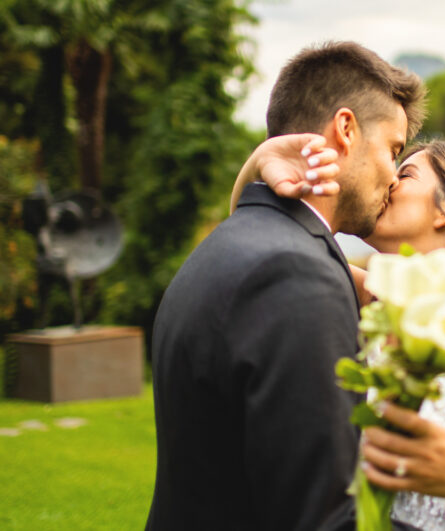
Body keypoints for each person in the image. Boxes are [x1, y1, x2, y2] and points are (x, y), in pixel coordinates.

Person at [145, 41, 426, 531]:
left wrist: (257, 164)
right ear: (345, 129)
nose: (393, 177)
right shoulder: (295, 275)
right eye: (393, 150)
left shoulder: (238, 242)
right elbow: (321, 517)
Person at [235, 137, 445, 530]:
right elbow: (253, 242)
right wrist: (259, 162)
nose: (389, 179)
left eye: (405, 173)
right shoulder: (370, 298)